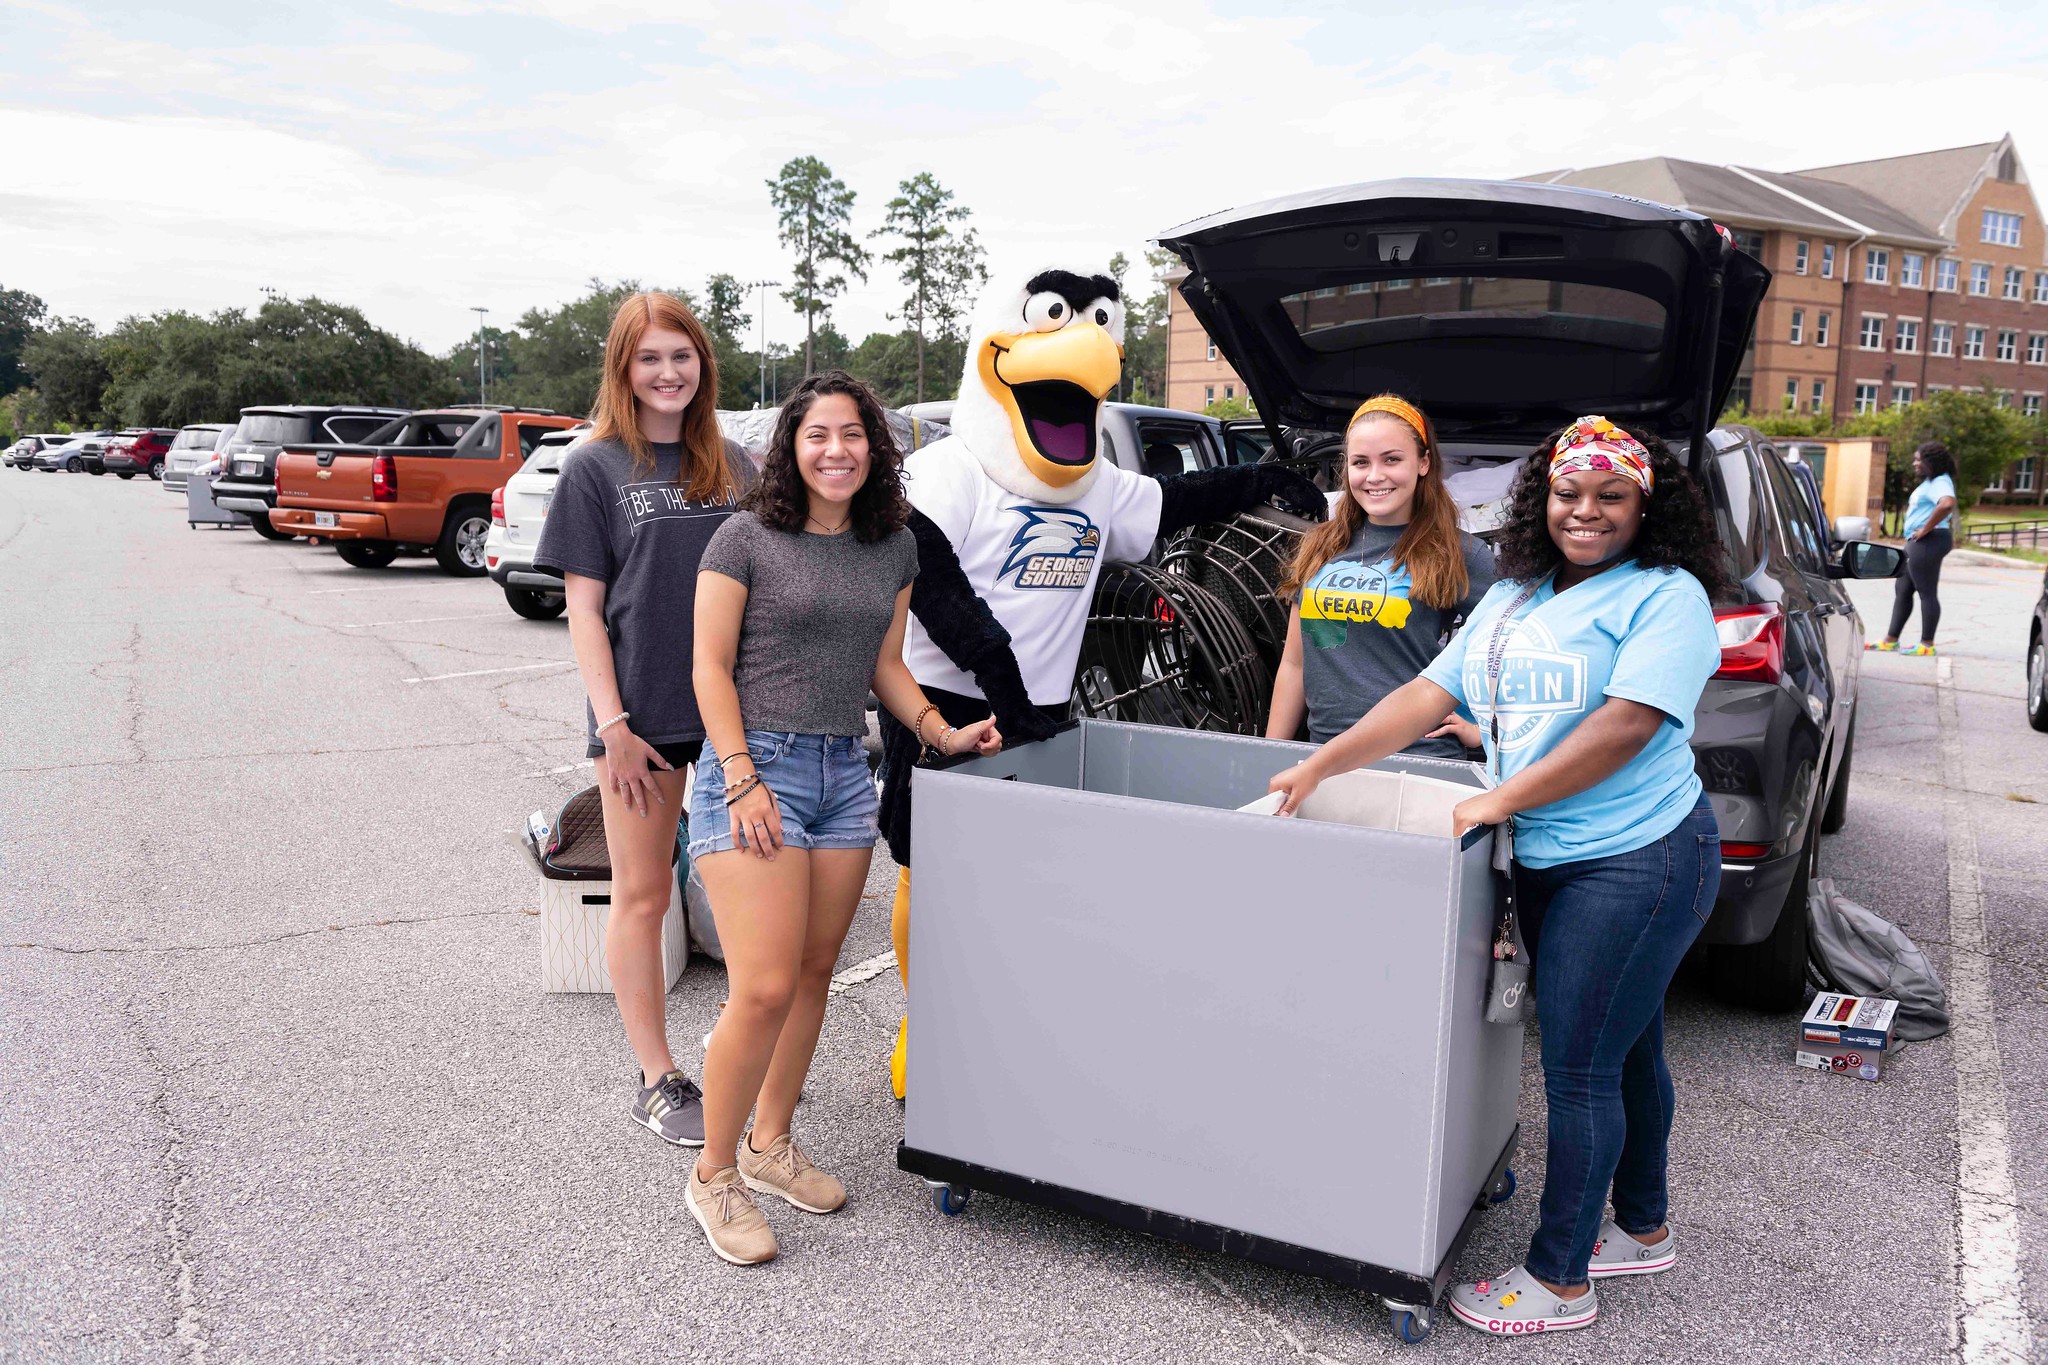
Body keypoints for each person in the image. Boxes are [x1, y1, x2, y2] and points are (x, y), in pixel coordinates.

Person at [1268, 416, 1730, 1338]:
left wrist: (1499, 796)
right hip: (1558, 858)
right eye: (1568, 492)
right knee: (1629, 1047)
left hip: (1638, 856)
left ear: (1647, 505)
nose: (1585, 512)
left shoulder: (1665, 596)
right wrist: (1323, 765)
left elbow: (1628, 723)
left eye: (1611, 495)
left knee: (1581, 1067)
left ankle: (1561, 1280)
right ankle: (1641, 1225)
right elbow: (1426, 695)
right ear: (1542, 499)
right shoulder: (1517, 593)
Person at [685, 372, 1000, 1266]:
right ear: (791, 443)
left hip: (841, 774)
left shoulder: (889, 544)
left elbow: (885, 664)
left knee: (817, 971)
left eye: (854, 435)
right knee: (764, 985)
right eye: (818, 434)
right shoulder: (743, 537)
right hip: (757, 771)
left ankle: (769, 1142)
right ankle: (714, 1174)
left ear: (877, 448)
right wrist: (742, 777)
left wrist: (941, 729)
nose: (836, 450)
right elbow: (709, 668)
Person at [533, 291, 755, 1152]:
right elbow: (584, 610)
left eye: (683, 355)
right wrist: (613, 722)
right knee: (644, 892)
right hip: (642, 719)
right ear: (625, 368)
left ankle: (740, 1058)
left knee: (746, 895)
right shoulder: (596, 467)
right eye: (650, 358)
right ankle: (658, 1075)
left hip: (738, 715)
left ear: (703, 364)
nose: (669, 373)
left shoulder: (737, 464)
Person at [1266, 394, 1495, 755]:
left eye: (1392, 459)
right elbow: (1295, 663)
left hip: (1417, 756)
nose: (1375, 476)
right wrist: (1269, 754)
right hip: (1325, 758)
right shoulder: (1320, 544)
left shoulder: (1459, 552)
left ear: (1423, 463)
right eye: (1361, 462)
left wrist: (1485, 729)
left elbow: (1520, 649)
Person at [1870, 441, 1958, 656]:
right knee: (1903, 589)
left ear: (1931, 461)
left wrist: (1926, 529)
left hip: (1930, 541)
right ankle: (1891, 640)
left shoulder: (1940, 481)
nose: (1915, 463)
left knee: (1926, 591)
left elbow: (1947, 503)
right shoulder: (1930, 482)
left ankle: (1927, 644)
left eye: (1919, 459)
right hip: (1920, 542)